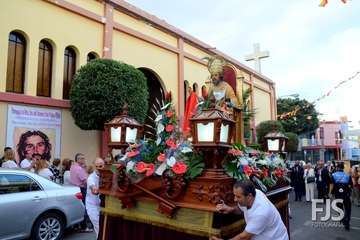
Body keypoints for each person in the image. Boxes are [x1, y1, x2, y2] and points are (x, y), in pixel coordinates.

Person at [211, 180, 288, 240]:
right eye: (234, 195)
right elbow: (242, 209)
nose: (234, 199)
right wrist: (230, 209)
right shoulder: (254, 193)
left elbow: (244, 237)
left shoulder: (261, 213)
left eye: (238, 197)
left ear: (249, 196)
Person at [70, 153, 92, 232]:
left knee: (77, 207)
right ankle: (84, 227)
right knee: (84, 208)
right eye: (81, 158)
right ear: (77, 159)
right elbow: (85, 181)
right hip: (82, 189)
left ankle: (76, 226)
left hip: (74, 188)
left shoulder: (73, 167)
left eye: (83, 158)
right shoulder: (79, 169)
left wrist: (84, 167)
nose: (83, 160)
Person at [329, 163, 352, 230]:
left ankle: (343, 220)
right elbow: (350, 185)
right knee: (348, 208)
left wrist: (330, 193)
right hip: (346, 194)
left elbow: (331, 185)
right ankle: (347, 222)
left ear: (337, 168)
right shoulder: (347, 175)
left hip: (337, 194)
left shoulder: (333, 175)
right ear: (343, 168)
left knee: (339, 208)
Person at [86, 158, 104, 238]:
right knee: (98, 226)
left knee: (104, 227)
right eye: (97, 166)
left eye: (101, 166)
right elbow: (93, 188)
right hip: (92, 206)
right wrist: (95, 189)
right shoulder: (91, 178)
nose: (99, 168)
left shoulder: (106, 175)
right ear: (94, 167)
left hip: (102, 205)